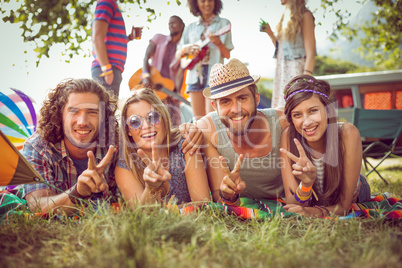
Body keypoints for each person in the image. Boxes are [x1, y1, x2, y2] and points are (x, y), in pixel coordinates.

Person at [197, 59, 289, 205]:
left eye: (242, 98)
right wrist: (229, 194)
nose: (235, 109)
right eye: (225, 101)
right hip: (240, 208)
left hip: (282, 203)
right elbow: (220, 196)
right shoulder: (208, 129)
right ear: (215, 106)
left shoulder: (282, 122)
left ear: (256, 98)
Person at [22, 78, 120, 215]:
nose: (82, 122)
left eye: (92, 112)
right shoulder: (37, 147)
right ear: (59, 115)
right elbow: (38, 206)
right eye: (74, 111)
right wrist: (77, 192)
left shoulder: (117, 145)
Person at [280, 75, 371, 217]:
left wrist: (310, 211)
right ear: (291, 119)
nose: (307, 122)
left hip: (354, 191)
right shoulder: (288, 136)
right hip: (317, 197)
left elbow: (343, 208)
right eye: (297, 115)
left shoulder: (347, 133)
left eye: (313, 111)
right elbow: (291, 205)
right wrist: (306, 185)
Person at [115, 88, 211, 207]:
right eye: (135, 122)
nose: (146, 126)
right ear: (128, 130)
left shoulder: (185, 144)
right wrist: (151, 188)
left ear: (164, 118)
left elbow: (203, 204)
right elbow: (142, 217)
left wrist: (166, 211)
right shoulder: (125, 166)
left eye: (153, 116)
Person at [176, 0, 234, 120]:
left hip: (214, 77)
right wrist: (185, 49)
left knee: (212, 119)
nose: (207, 4)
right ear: (196, 3)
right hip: (194, 77)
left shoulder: (224, 24)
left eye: (210, 0)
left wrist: (219, 43)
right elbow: (178, 55)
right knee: (199, 121)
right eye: (202, 1)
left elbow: (227, 55)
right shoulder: (190, 28)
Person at [262, 0, 316, 108]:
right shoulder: (284, 17)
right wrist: (270, 33)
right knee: (284, 110)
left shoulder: (305, 15)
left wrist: (305, 79)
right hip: (282, 70)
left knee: (297, 107)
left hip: (296, 70)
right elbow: (281, 48)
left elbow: (311, 51)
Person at [142, 15, 185, 126]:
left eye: (174, 22)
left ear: (182, 26)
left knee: (174, 121)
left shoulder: (183, 48)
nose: (171, 25)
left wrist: (176, 90)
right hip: (152, 86)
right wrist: (146, 76)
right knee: (153, 120)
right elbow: (146, 56)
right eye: (169, 23)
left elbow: (181, 71)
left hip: (169, 90)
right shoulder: (159, 38)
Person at [91, 0, 136, 99]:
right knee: (105, 110)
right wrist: (106, 69)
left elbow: (111, 39)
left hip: (112, 69)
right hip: (107, 69)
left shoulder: (110, 4)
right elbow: (97, 37)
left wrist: (129, 38)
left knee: (108, 110)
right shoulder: (106, 3)